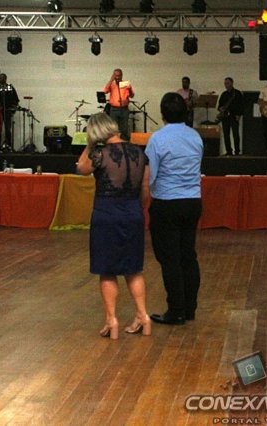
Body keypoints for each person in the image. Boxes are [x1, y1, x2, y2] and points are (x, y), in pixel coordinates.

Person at [76, 113, 151, 339]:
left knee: (107, 270)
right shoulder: (140, 153)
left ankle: (112, 321)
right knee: (133, 269)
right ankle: (143, 316)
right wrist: (138, 209)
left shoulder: (99, 154)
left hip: (106, 215)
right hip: (133, 213)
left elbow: (81, 168)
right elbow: (145, 188)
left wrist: (90, 144)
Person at [146, 93, 204, 325]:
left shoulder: (157, 139)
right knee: (188, 255)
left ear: (162, 114)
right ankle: (189, 308)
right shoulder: (195, 136)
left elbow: (152, 175)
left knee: (170, 259)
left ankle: (176, 310)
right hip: (193, 201)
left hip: (167, 202)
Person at [0, 73, 19, 150]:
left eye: (1, 78)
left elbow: (16, 100)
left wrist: (13, 109)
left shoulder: (10, 87)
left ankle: (9, 146)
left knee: (7, 129)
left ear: (5, 79)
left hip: (8, 111)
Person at [103, 68, 135, 141]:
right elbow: (105, 91)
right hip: (114, 109)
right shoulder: (111, 84)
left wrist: (129, 89)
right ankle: (114, 144)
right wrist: (111, 80)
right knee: (113, 128)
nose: (117, 77)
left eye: (119, 75)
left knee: (124, 129)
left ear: (121, 75)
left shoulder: (125, 83)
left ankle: (123, 144)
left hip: (124, 109)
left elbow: (132, 95)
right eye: (115, 76)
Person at [217, 77, 244, 155]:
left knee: (236, 134)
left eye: (227, 83)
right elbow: (219, 106)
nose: (226, 85)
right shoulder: (223, 94)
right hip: (225, 116)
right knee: (226, 134)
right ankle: (228, 151)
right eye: (225, 83)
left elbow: (241, 105)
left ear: (232, 83)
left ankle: (237, 151)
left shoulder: (237, 93)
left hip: (234, 116)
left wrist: (239, 115)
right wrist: (220, 108)